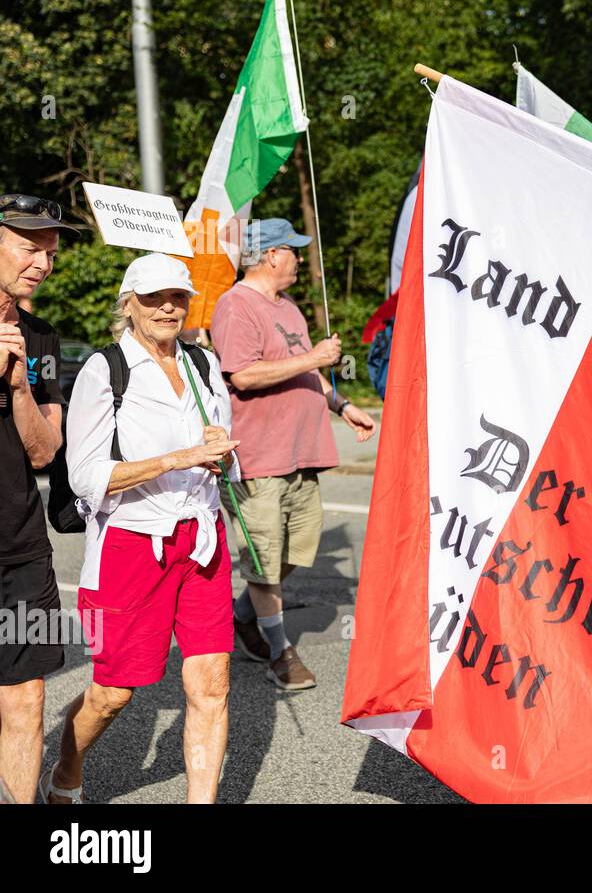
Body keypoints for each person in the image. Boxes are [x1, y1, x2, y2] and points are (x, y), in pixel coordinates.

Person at [48, 253, 240, 804]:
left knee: (211, 684)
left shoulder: (204, 364)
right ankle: (66, 768)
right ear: (128, 303)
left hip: (202, 538)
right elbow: (86, 478)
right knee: (113, 693)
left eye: (177, 296)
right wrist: (175, 458)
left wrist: (219, 457)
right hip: (131, 543)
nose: (167, 307)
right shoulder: (104, 369)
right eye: (153, 297)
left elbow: (221, 452)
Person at [210, 218, 375, 690]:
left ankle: (243, 616)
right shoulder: (235, 306)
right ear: (271, 255)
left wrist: (342, 404)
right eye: (295, 251)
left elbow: (306, 371)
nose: (301, 260)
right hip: (258, 457)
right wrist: (316, 358)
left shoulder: (291, 308)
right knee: (264, 557)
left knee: (298, 550)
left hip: (302, 454)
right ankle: (280, 652)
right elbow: (242, 375)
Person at [0, 194, 74, 803]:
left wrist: (19, 386)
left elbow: (46, 452)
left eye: (49, 252)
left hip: (22, 546)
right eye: (29, 248)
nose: (43, 263)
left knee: (26, 694)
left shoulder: (42, 338)